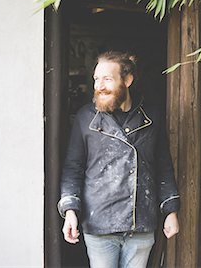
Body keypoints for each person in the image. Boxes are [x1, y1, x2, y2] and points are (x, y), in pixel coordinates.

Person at [58, 51, 180, 268]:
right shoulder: (86, 118)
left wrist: (170, 211)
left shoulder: (151, 117)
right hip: (99, 223)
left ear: (127, 80)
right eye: (96, 79)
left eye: (107, 79)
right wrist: (70, 211)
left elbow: (163, 166)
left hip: (140, 222)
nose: (99, 86)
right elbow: (72, 168)